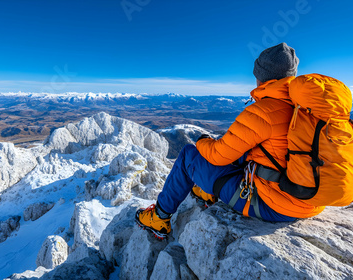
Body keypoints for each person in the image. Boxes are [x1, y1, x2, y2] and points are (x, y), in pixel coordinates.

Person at [136, 43, 325, 240]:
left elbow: (218, 156)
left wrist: (202, 141)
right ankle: (206, 191)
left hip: (275, 205)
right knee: (242, 149)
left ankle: (159, 217)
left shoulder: (264, 111)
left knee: (187, 156)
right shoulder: (306, 108)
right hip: (311, 200)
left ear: (262, 78)